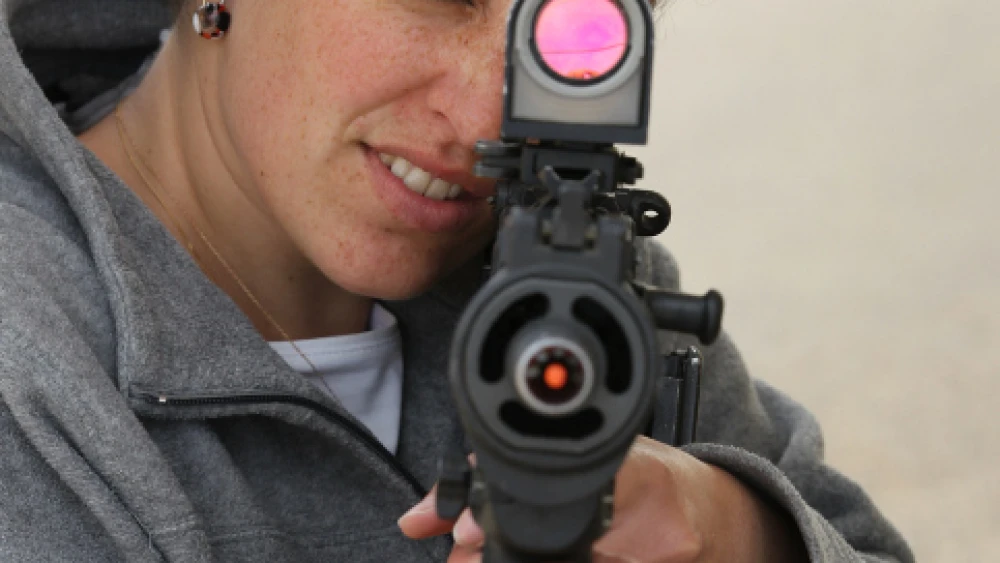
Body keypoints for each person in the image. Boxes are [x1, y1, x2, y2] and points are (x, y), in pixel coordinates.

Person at [0, 1, 913, 562]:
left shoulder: (573, 280)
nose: (489, 116)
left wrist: (738, 534)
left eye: (561, 32)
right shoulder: (32, 362)